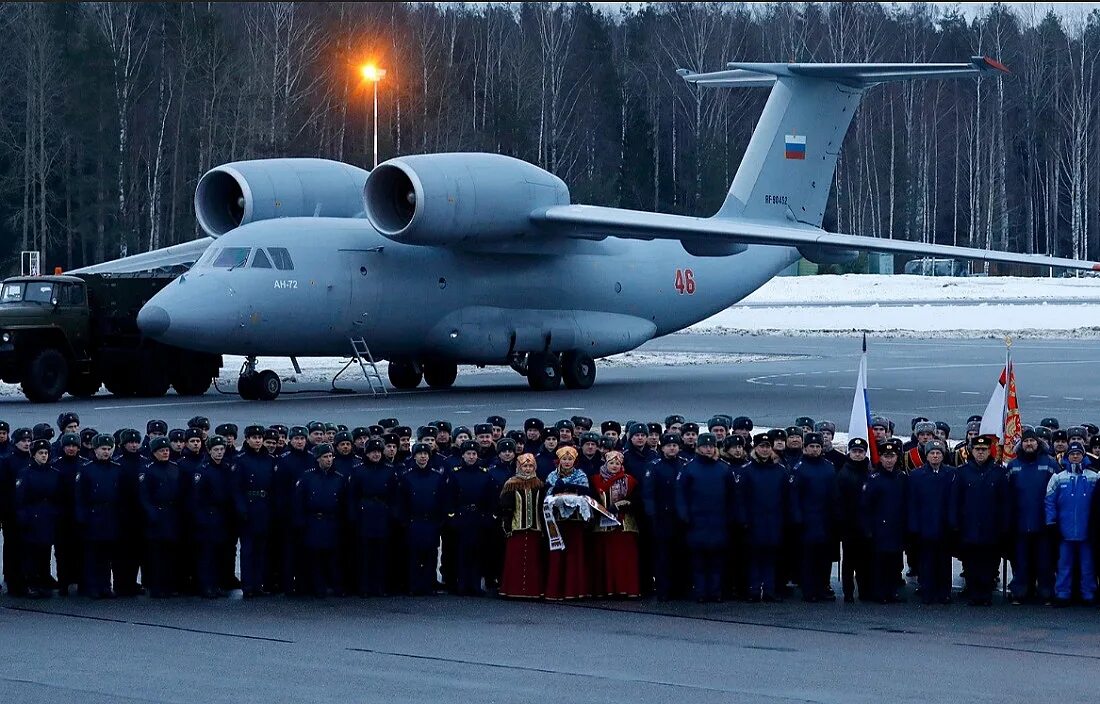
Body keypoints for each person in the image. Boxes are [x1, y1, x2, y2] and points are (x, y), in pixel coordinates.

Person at [675, 433, 736, 602]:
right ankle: (701, 592)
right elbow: (681, 495)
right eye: (705, 446)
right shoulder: (689, 469)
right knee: (699, 561)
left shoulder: (724, 468)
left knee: (717, 561)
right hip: (696, 521)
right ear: (698, 447)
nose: (708, 449)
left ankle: (715, 592)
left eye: (711, 446)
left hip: (719, 521)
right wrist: (684, 516)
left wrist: (730, 516)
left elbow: (732, 495)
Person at [951, 435, 1009, 606]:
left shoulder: (999, 473)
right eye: (977, 450)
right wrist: (955, 523)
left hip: (991, 527)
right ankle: (974, 592)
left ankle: (985, 593)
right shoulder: (961, 472)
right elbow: (955, 500)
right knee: (970, 563)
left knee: (990, 563)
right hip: (969, 526)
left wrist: (1005, 525)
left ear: (989, 451)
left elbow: (1005, 502)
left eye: (984, 450)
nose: (981, 453)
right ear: (972, 451)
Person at [741, 432, 796, 602]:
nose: (765, 450)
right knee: (754, 557)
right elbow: (741, 498)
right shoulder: (747, 470)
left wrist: (787, 518)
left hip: (774, 521)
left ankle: (770, 590)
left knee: (771, 558)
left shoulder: (780, 470)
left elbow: (787, 497)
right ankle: (754, 590)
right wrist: (744, 519)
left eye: (767, 447)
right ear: (755, 448)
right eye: (761, 447)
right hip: (754, 521)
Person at [1006, 429, 1056, 604]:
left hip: (1043, 523)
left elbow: (1056, 492)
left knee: (1044, 562)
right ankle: (1020, 593)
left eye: (1032, 441)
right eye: (1026, 441)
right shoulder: (1013, 466)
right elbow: (1007, 494)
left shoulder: (1050, 463)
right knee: (1021, 562)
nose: (1029, 444)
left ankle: (1046, 593)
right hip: (1020, 523)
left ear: (1038, 444)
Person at [1045, 441, 1097, 606]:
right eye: (1072, 454)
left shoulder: (1093, 477)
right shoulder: (1058, 478)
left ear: (1083, 455)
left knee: (1087, 566)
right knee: (1064, 565)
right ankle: (1062, 594)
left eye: (1078, 454)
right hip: (1065, 531)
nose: (1075, 456)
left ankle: (1088, 594)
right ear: (1068, 456)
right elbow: (1049, 502)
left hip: (1086, 531)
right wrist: (1051, 522)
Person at [347, 438, 400, 597]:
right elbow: (352, 496)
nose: (376, 454)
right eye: (372, 452)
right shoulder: (358, 470)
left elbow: (395, 495)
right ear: (367, 453)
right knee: (364, 553)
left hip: (382, 514)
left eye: (378, 451)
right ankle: (364, 586)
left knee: (381, 553)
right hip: (365, 514)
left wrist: (393, 514)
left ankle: (379, 586)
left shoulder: (389, 470)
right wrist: (353, 515)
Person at [907, 437, 956, 605]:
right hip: (925, 526)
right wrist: (914, 525)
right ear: (926, 456)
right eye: (932, 453)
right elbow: (912, 502)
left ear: (943, 456)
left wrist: (952, 522)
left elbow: (954, 501)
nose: (935, 456)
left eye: (938, 453)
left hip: (944, 526)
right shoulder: (916, 475)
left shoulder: (951, 474)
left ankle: (944, 592)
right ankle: (927, 591)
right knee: (926, 562)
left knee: (944, 561)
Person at [74, 434, 122, 599]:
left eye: (109, 449)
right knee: (92, 555)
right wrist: (82, 517)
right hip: (93, 515)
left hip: (111, 515)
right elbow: (80, 496)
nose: (106, 452)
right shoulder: (86, 469)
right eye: (103, 449)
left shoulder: (116, 468)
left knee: (107, 555)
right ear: (95, 450)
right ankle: (92, 586)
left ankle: (106, 585)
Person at [398, 442, 448, 596]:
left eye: (425, 454)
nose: (423, 456)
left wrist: (440, 521)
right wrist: (405, 521)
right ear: (414, 456)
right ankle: (414, 585)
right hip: (414, 521)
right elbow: (402, 502)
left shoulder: (436, 476)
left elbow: (442, 500)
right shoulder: (407, 477)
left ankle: (429, 584)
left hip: (431, 521)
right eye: (419, 454)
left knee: (431, 554)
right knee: (413, 555)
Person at [861, 439, 908, 603]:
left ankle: (892, 591)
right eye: (886, 456)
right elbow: (865, 506)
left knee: (894, 562)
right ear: (880, 458)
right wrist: (868, 528)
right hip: (879, 528)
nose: (889, 460)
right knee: (879, 562)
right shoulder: (874, 478)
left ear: (897, 458)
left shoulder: (902, 478)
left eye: (892, 456)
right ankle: (880, 592)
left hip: (897, 527)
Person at [446, 440, 495, 596]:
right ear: (463, 455)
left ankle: (475, 585)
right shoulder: (455, 473)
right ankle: (462, 584)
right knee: (461, 552)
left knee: (477, 552)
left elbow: (490, 498)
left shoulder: (484, 474)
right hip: (462, 517)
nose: (472, 457)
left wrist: (488, 516)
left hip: (478, 517)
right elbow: (450, 497)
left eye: (474, 454)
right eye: (468, 454)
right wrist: (452, 516)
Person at [794, 432, 839, 602]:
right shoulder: (800, 468)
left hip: (825, 521)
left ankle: (822, 588)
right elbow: (795, 497)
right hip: (807, 521)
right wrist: (798, 519)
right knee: (808, 558)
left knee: (824, 558)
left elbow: (834, 494)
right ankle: (809, 590)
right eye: (811, 446)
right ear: (805, 448)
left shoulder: (829, 466)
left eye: (817, 447)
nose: (814, 450)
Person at [590, 450, 641, 599]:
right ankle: (606, 589)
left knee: (624, 558)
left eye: (617, 463)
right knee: (605, 558)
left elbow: (635, 500)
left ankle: (626, 588)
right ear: (605, 464)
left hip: (624, 524)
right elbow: (591, 498)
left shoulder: (629, 480)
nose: (614, 466)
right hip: (602, 524)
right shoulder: (595, 480)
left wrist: (622, 504)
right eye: (611, 463)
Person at [191, 435, 237, 599]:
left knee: (220, 553)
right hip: (209, 515)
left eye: (221, 449)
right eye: (216, 450)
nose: (219, 453)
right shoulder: (202, 470)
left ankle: (217, 584)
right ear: (209, 451)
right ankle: (206, 585)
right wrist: (201, 519)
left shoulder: (226, 467)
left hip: (223, 515)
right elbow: (196, 499)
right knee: (207, 554)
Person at [235, 425, 277, 598]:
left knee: (262, 549)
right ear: (247, 439)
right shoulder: (241, 460)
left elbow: (274, 486)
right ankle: (248, 585)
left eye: (260, 437)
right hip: (249, 506)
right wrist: (242, 509)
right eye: (254, 437)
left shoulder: (269, 459)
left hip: (264, 506)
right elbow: (236, 488)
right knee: (248, 550)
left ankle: (258, 584)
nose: (258, 440)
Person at [544, 445, 592, 600]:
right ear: (559, 460)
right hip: (557, 520)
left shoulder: (580, 475)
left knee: (574, 553)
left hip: (574, 520)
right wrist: (555, 490)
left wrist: (570, 487)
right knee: (558, 553)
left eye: (570, 459)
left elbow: (586, 493)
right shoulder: (552, 476)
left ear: (574, 461)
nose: (567, 462)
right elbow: (546, 493)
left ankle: (574, 589)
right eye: (564, 459)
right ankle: (555, 590)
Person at [644, 433, 688, 601]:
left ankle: (679, 589)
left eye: (675, 445)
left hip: (680, 517)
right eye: (669, 445)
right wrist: (652, 514)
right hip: (661, 517)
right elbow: (648, 493)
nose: (672, 448)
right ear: (662, 448)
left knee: (680, 554)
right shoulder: (654, 466)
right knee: (663, 556)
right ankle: (663, 590)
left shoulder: (684, 465)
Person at [15, 439, 61, 597]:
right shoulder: (25, 474)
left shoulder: (54, 473)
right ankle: (31, 583)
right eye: (40, 453)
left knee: (45, 550)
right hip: (32, 516)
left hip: (48, 516)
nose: (44, 456)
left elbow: (58, 496)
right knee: (30, 552)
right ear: (33, 455)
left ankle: (44, 578)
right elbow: (20, 499)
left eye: (46, 453)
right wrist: (24, 518)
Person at [138, 436, 183, 598]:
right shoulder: (147, 469)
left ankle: (170, 585)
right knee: (156, 555)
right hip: (156, 515)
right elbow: (144, 496)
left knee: (171, 553)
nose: (165, 453)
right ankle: (157, 586)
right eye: (161, 451)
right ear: (154, 453)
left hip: (172, 514)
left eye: (166, 450)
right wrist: (152, 514)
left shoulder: (174, 467)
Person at [498, 453, 546, 599]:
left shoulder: (539, 483)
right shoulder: (511, 483)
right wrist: (506, 526)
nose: (527, 469)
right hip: (516, 527)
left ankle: (533, 590)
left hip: (534, 528)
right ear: (519, 467)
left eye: (530, 466)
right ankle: (513, 589)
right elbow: (506, 508)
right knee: (515, 560)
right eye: (525, 466)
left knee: (533, 561)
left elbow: (542, 507)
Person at [836, 437, 872, 603]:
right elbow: (839, 501)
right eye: (855, 451)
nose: (858, 454)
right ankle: (848, 591)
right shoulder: (843, 474)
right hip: (849, 525)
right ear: (849, 452)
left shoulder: (870, 473)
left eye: (861, 452)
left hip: (866, 524)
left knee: (865, 560)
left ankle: (864, 590)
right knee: (849, 561)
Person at [51, 433, 84, 596]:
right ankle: (64, 581)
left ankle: (80, 580)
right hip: (62, 514)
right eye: (68, 446)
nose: (71, 449)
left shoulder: (84, 465)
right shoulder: (56, 466)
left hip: (79, 513)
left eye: (74, 446)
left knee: (80, 549)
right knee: (62, 551)